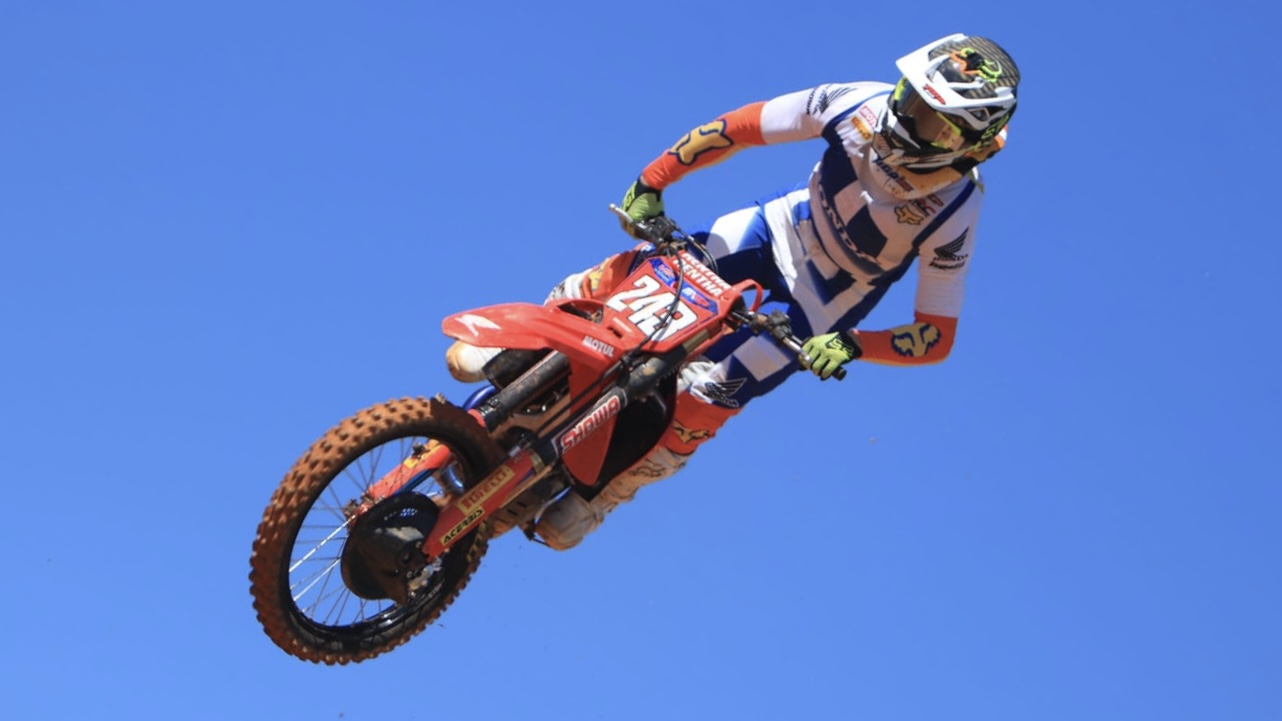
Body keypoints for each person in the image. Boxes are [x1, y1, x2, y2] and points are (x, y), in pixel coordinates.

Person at [448, 33, 1021, 550]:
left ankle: (609, 492)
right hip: (773, 230)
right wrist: (652, 182)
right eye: (913, 98)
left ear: (971, 143)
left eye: (934, 122)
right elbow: (743, 126)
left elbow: (936, 335)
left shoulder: (956, 210)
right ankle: (533, 333)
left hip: (822, 301)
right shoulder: (857, 103)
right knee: (644, 274)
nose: (908, 118)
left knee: (710, 394)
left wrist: (851, 344)